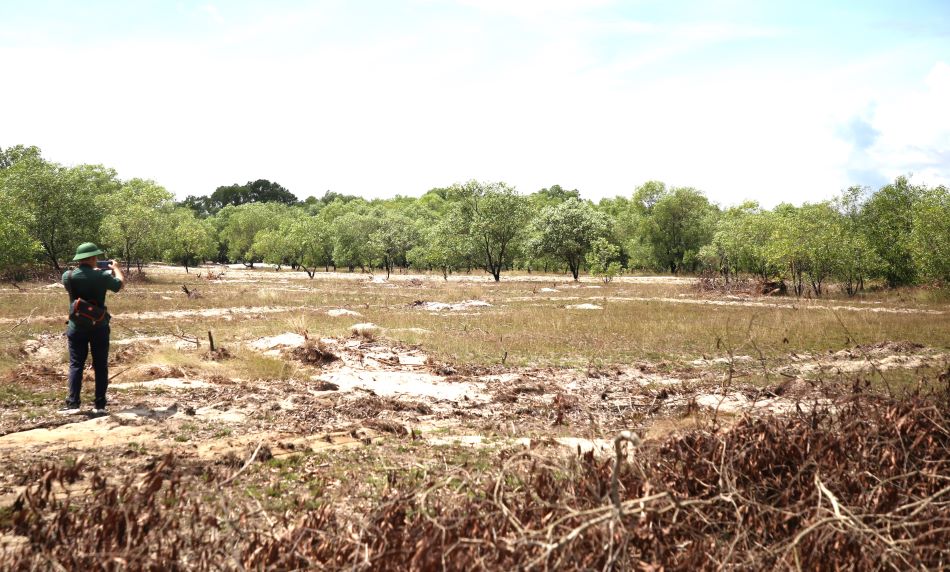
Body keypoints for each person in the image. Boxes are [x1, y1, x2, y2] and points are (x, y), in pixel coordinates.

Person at [60, 242, 125, 415]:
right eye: (96, 256)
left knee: (76, 365)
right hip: (99, 326)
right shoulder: (102, 276)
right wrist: (116, 268)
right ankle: (100, 404)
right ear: (91, 258)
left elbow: (77, 285)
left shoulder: (68, 276)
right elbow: (119, 285)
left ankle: (73, 403)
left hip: (76, 326)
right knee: (101, 365)